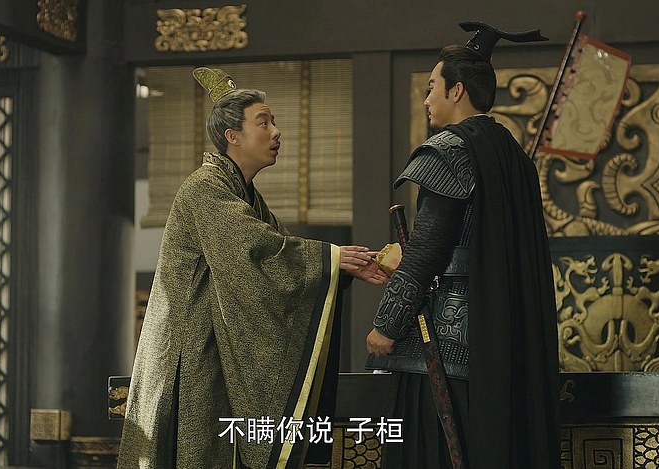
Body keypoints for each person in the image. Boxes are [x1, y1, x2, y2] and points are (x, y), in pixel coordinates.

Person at [118, 67, 387, 469]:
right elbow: (255, 251)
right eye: (264, 122)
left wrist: (344, 267)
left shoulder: (245, 196)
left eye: (274, 122)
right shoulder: (205, 188)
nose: (276, 132)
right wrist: (331, 258)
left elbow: (279, 254)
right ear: (233, 136)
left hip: (214, 349)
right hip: (189, 353)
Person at [365, 22, 560, 468]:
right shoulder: (515, 157)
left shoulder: (448, 150)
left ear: (456, 91)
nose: (426, 99)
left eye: (432, 88)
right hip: (508, 344)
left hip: (447, 349)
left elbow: (427, 249)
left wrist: (387, 326)